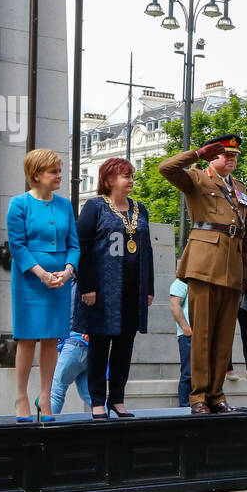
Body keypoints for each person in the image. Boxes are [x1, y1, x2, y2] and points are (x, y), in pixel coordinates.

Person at [159, 135, 247, 415]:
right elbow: (166, 169)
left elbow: (245, 232)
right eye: (226, 155)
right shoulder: (197, 178)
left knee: (224, 337)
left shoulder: (240, 188)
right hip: (204, 262)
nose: (232, 160)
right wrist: (196, 153)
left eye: (235, 156)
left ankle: (217, 395)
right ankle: (198, 397)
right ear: (213, 157)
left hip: (232, 265)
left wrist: (244, 270)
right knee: (202, 335)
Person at [72, 158, 154, 419]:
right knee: (99, 344)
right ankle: (97, 400)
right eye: (124, 176)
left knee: (124, 345)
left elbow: (147, 251)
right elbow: (82, 246)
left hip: (132, 288)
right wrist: (87, 285)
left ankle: (117, 399)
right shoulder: (95, 207)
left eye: (131, 175)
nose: (130, 180)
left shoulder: (140, 209)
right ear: (108, 180)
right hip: (103, 288)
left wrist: (148, 287)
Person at [6, 149, 79, 422]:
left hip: (60, 278)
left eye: (59, 171)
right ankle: (22, 396)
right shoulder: (18, 204)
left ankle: (45, 397)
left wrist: (68, 271)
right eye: (54, 172)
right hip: (29, 278)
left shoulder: (65, 206)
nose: (60, 176)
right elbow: (17, 245)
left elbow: (74, 244)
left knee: (51, 339)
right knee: (26, 339)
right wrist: (41, 274)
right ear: (36, 175)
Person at [50, 284, 91, 415]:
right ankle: (112, 429)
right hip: (87, 347)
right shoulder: (78, 283)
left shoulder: (76, 283)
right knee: (91, 396)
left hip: (73, 346)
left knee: (56, 392)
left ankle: (44, 432)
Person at [168, 277, 191, 407]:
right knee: (188, 373)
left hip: (203, 335)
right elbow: (174, 305)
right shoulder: (181, 282)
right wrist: (186, 328)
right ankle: (184, 406)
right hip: (188, 336)